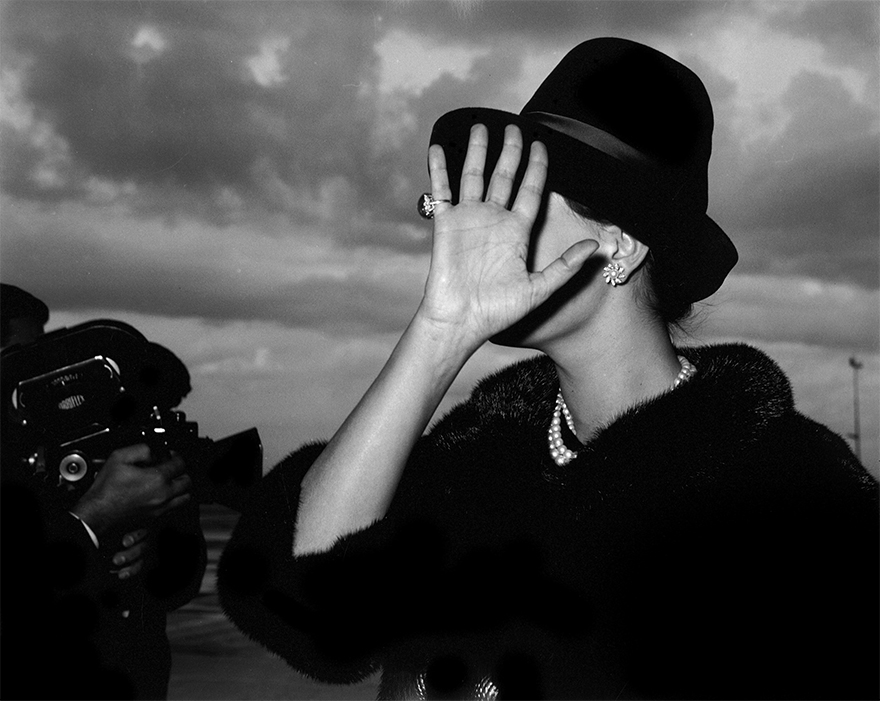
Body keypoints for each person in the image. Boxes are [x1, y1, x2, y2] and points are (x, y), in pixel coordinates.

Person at [217, 38, 878, 699]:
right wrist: (441, 331)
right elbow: (304, 604)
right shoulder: (476, 465)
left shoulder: (790, 493)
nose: (480, 228)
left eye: (517, 200)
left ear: (619, 242)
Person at [0, 284, 207, 700]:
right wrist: (95, 519)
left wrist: (148, 546)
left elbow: (179, 583)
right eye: (20, 361)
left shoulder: (97, 450)